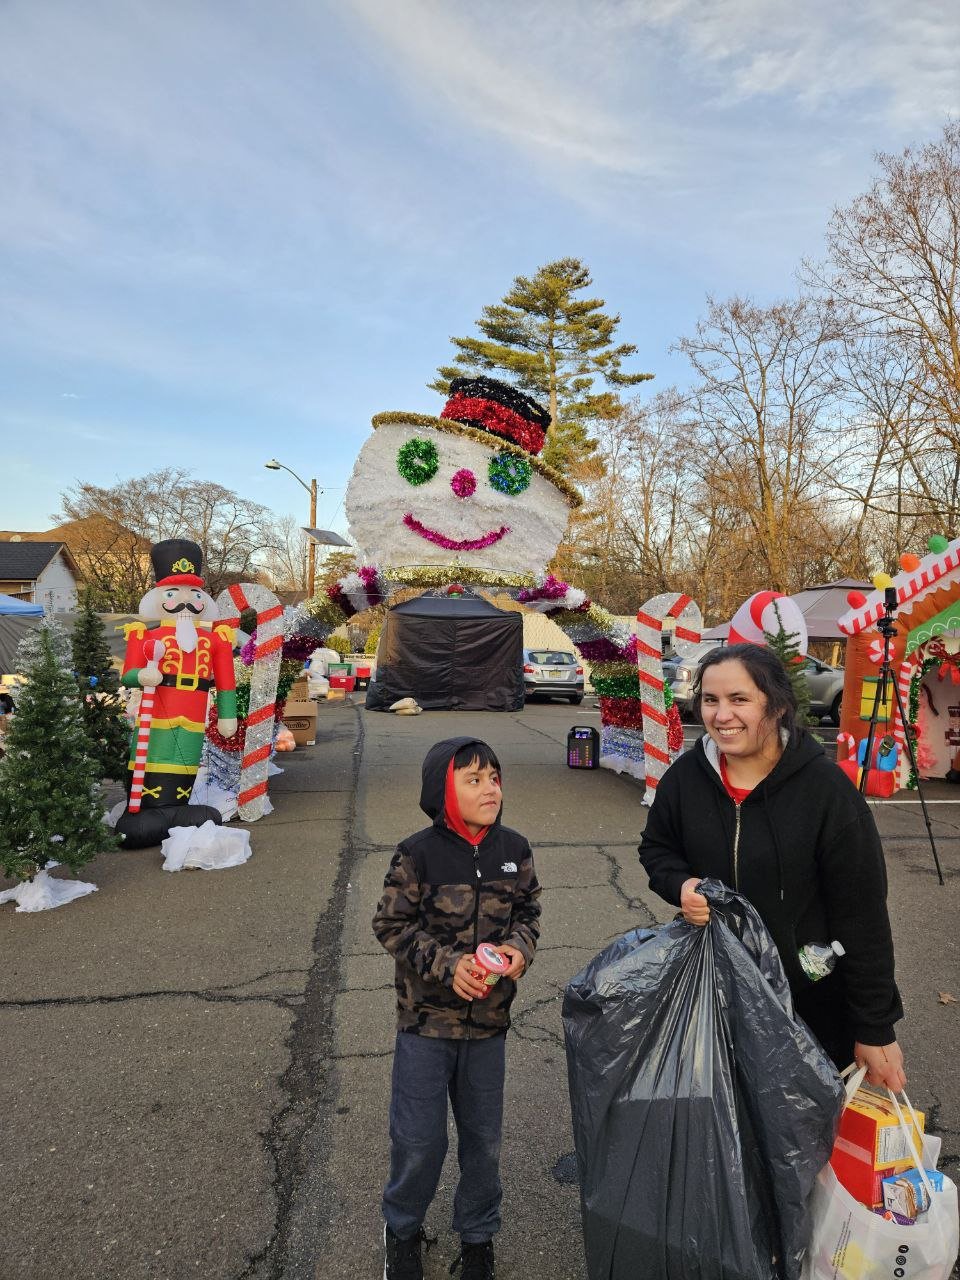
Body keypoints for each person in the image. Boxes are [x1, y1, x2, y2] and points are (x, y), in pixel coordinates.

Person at [639, 642, 905, 1091]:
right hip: (714, 995)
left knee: (803, 1148)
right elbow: (657, 849)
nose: (721, 715)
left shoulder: (825, 791)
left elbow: (862, 916)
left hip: (809, 1004)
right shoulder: (687, 778)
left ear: (777, 705)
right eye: (710, 700)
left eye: (739, 699)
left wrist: (875, 1026)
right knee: (721, 1140)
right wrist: (681, 885)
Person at [373, 736, 541, 1280]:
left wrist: (519, 950)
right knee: (419, 1140)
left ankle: (477, 1238)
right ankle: (401, 1230)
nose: (490, 788)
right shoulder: (417, 853)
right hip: (425, 1025)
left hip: (489, 1027)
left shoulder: (515, 849)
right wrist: (450, 965)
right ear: (443, 793)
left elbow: (528, 914)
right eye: (473, 780)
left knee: (483, 1143)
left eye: (494, 777)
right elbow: (391, 925)